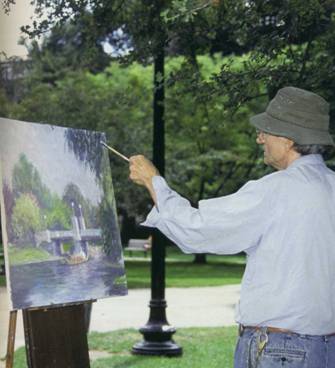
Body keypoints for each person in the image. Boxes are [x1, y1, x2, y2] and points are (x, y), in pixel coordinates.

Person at [129, 86, 335, 367]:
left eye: (266, 131)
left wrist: (153, 180)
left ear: (288, 140)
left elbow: (197, 230)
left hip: (282, 350)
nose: (259, 138)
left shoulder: (275, 190)